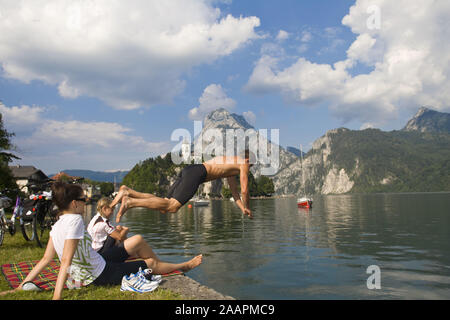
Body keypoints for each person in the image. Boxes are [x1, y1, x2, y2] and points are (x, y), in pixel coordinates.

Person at [12, 182, 203, 300]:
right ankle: (180, 266)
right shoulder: (75, 221)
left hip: (98, 261)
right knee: (150, 263)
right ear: (74, 204)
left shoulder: (58, 223)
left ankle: (158, 268)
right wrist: (57, 296)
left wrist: (22, 286)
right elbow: (65, 262)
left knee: (136, 240)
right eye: (83, 199)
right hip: (97, 276)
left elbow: (46, 259)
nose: (86, 201)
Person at [112, 150, 254, 223]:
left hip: (190, 169)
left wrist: (243, 209)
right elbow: (244, 190)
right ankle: (130, 202)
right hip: (198, 174)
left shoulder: (230, 166)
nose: (249, 169)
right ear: (248, 160)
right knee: (172, 207)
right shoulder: (243, 163)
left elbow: (235, 193)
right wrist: (248, 205)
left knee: (164, 206)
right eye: (251, 165)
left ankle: (127, 191)